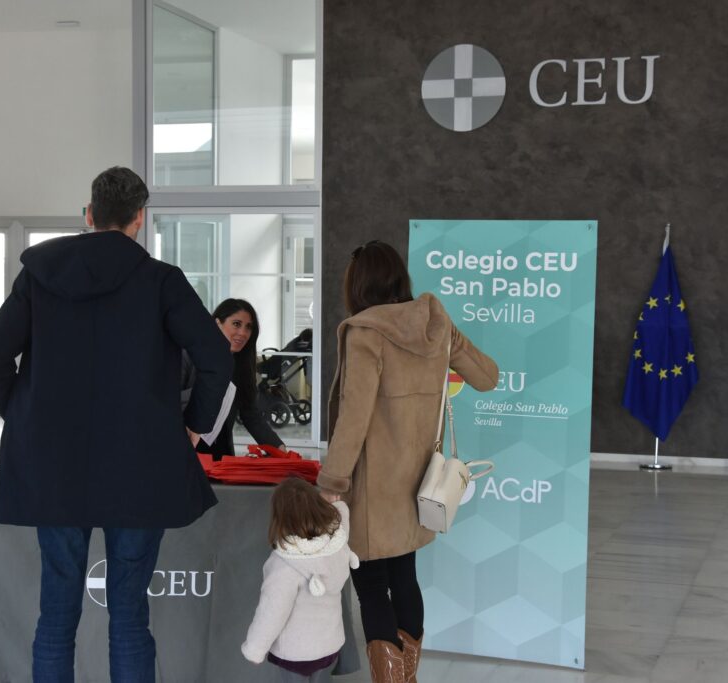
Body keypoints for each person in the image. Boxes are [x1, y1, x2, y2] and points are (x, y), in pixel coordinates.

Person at [0, 166, 232, 682]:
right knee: (131, 617)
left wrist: (27, 420)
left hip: (54, 466)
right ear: (140, 219)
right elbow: (217, 358)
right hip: (140, 466)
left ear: (88, 215)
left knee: (56, 616)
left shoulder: (38, 276)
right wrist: (193, 426)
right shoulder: (162, 281)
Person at [317, 240, 499, 683]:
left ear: (357, 285)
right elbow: (488, 377)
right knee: (405, 576)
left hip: (372, 487)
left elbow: (354, 417)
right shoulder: (436, 323)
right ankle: (407, 678)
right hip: (419, 483)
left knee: (372, 587)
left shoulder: (366, 333)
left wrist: (332, 481)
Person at [241, 476, 359, 682]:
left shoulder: (284, 565)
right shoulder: (337, 541)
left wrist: (255, 649)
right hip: (329, 646)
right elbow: (343, 515)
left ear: (281, 517)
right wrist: (333, 500)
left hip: (295, 654)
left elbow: (271, 612)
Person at [182, 298, 286, 460]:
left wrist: (279, 448)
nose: (243, 333)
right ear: (217, 323)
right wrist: (209, 391)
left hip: (221, 454)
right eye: (236, 324)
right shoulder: (189, 355)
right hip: (186, 450)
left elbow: (251, 415)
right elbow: (169, 401)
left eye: (248, 327)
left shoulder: (242, 367)